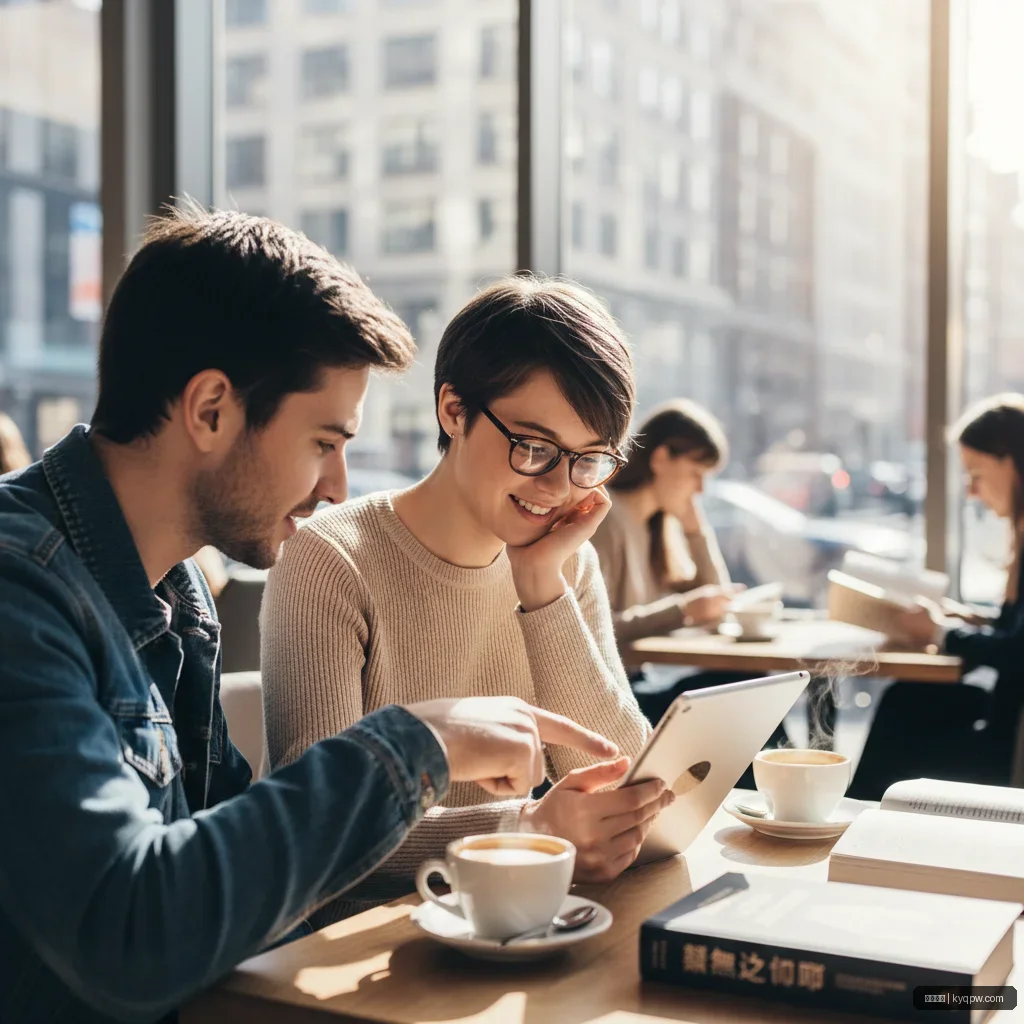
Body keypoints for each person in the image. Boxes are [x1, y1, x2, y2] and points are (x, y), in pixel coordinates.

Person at [0, 206, 621, 1024]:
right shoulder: (20, 593)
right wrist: (417, 743)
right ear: (212, 409)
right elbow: (131, 933)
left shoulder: (178, 596)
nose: (336, 485)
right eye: (324, 441)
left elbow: (231, 865)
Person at [261, 277, 672, 925]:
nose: (560, 488)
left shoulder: (567, 560)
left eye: (587, 459)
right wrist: (523, 825)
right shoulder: (330, 557)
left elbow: (623, 784)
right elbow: (319, 827)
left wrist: (541, 585)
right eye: (534, 448)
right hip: (353, 950)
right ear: (454, 411)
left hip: (517, 926)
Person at [849, 393, 1024, 799]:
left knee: (901, 719)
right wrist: (973, 619)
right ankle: (857, 812)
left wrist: (941, 632)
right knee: (908, 698)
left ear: (1011, 461)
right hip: (1005, 718)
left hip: (1007, 745)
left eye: (976, 474)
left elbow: (1019, 651)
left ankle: (857, 817)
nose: (971, 491)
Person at [591, 400, 741, 724]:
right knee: (737, 689)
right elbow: (590, 627)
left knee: (742, 684)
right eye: (696, 473)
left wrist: (696, 531)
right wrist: (683, 610)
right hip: (613, 695)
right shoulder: (605, 518)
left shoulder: (655, 527)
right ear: (660, 458)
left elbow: (717, 598)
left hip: (638, 683)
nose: (700, 489)